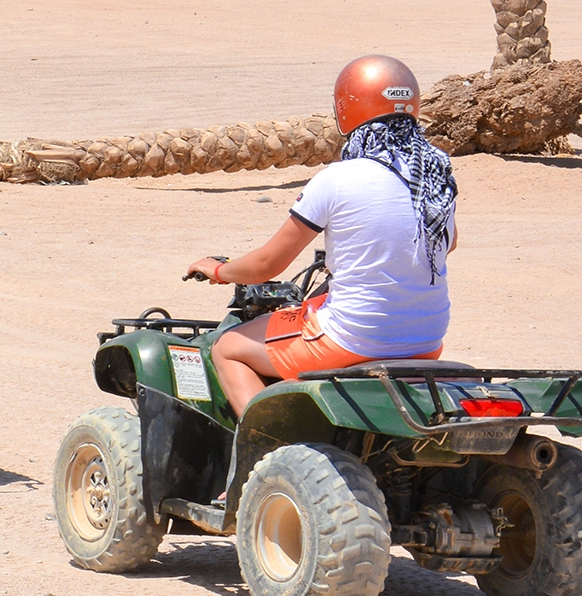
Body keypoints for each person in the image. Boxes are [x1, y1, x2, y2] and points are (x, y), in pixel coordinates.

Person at [186, 56, 457, 415]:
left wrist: (219, 270)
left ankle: (271, 445)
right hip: (427, 340)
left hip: (352, 339)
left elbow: (267, 264)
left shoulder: (338, 178)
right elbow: (448, 242)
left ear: (346, 110)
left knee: (227, 348)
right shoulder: (435, 170)